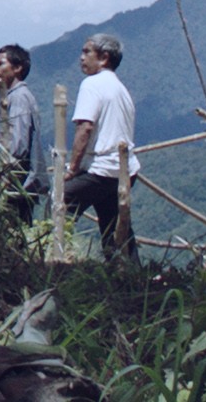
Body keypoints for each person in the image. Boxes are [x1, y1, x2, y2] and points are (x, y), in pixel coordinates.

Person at [64, 33, 139, 261]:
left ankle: (54, 256)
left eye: (87, 52)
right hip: (124, 170)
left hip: (102, 168)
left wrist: (73, 168)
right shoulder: (120, 89)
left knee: (59, 203)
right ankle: (130, 275)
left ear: (104, 57)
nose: (81, 58)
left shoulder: (92, 84)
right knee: (114, 227)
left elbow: (85, 127)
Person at [0, 43, 48, 222]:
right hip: (13, 182)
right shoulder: (11, 97)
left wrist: (4, 169)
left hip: (16, 183)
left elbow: (18, 145)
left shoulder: (19, 98)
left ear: (17, 68)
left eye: (1, 64)